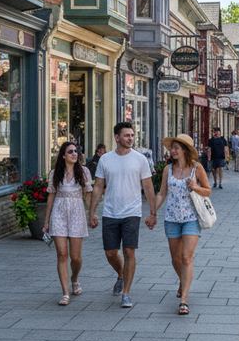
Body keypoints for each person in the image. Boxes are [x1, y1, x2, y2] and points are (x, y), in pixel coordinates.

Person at [89, 122, 156, 309]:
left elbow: (148, 186)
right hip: (110, 211)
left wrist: (153, 212)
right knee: (110, 253)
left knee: (129, 251)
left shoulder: (140, 159)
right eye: (126, 135)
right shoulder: (105, 160)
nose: (130, 138)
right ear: (117, 137)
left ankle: (126, 292)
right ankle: (120, 274)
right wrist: (92, 212)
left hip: (132, 212)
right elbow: (98, 186)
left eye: (132, 135)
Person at [146, 133, 211, 315]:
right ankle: (183, 280)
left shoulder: (196, 168)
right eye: (172, 147)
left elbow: (208, 191)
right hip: (171, 218)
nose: (173, 150)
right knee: (175, 258)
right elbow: (161, 193)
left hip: (191, 217)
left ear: (185, 150)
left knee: (186, 257)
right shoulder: (168, 169)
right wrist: (153, 213)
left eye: (176, 147)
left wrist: (195, 187)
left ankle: (184, 299)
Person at [43, 142, 92, 306]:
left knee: (76, 257)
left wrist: (92, 214)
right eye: (70, 151)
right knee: (62, 254)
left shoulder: (84, 172)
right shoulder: (54, 173)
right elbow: (50, 197)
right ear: (63, 155)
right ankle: (65, 293)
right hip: (59, 213)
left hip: (77, 212)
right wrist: (46, 222)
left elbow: (88, 195)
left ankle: (75, 278)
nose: (74, 154)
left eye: (76, 151)